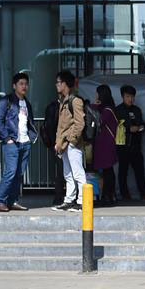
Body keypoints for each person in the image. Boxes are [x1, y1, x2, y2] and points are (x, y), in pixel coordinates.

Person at [0, 72, 38, 212]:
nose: (24, 86)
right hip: (12, 143)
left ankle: (12, 201)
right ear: (14, 86)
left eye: (26, 84)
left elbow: (29, 122)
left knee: (19, 174)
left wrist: (30, 138)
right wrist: (7, 138)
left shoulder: (27, 104)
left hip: (25, 142)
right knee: (10, 172)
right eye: (21, 84)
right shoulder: (6, 101)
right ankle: (0, 202)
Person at [52, 71, 85, 212]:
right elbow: (62, 126)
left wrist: (71, 141)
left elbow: (80, 123)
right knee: (68, 174)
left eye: (59, 82)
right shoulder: (63, 101)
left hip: (72, 144)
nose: (57, 85)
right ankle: (69, 200)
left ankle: (82, 201)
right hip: (64, 145)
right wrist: (59, 143)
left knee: (78, 173)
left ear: (66, 84)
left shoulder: (75, 101)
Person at [114, 85, 145, 201]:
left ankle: (144, 193)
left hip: (136, 146)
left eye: (132, 96)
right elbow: (115, 127)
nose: (130, 99)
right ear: (122, 97)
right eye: (127, 96)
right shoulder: (118, 110)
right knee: (123, 172)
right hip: (123, 146)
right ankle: (124, 194)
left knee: (139, 171)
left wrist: (139, 128)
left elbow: (143, 125)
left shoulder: (137, 110)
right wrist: (128, 129)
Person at [92, 85, 119, 207]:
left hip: (105, 145)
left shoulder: (106, 111)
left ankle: (107, 196)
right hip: (108, 144)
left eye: (98, 93)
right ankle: (109, 195)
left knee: (107, 171)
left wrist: (94, 106)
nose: (96, 96)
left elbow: (98, 121)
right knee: (109, 171)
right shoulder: (110, 109)